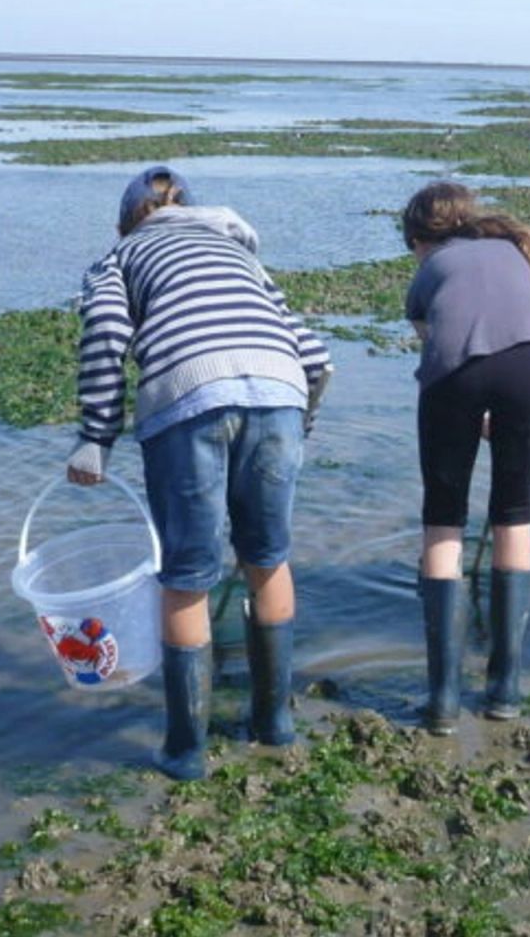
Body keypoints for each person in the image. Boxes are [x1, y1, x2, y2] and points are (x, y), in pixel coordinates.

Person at [66, 165, 333, 778]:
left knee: (186, 575)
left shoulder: (122, 256)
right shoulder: (238, 254)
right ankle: (275, 726)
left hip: (187, 398)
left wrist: (95, 438)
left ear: (127, 221)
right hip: (280, 391)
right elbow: (315, 356)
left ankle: (186, 752)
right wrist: (298, 426)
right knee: (268, 560)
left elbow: (106, 332)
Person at [402, 182, 530, 734]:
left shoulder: (426, 274)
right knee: (514, 514)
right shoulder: (521, 252)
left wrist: (478, 405)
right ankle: (504, 691)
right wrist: (520, 402)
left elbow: (445, 352)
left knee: (443, 519)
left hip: (457, 378)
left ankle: (443, 703)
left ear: (418, 242)